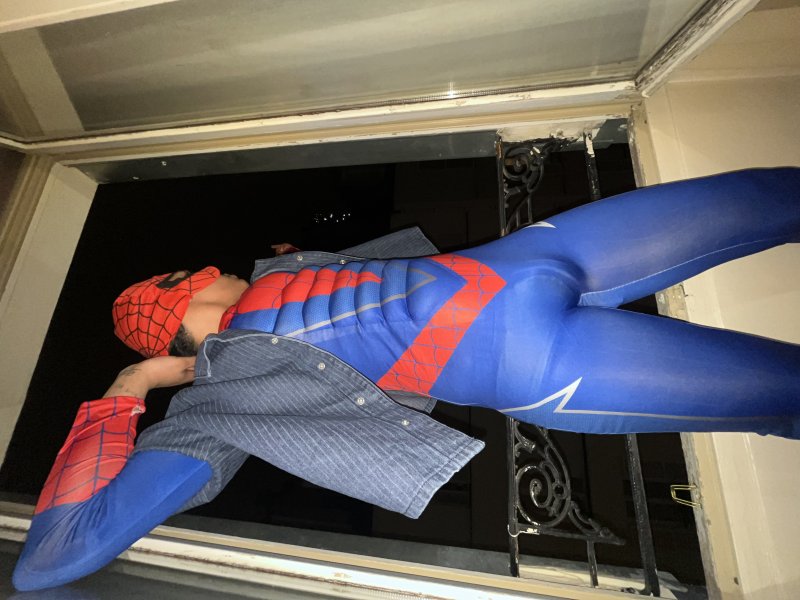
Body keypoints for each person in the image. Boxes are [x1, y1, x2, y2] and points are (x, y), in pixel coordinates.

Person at [14, 168, 800, 591]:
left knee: (766, 196)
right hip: (541, 363)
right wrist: (129, 387)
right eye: (188, 273)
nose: (210, 267)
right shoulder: (217, 407)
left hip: (534, 258)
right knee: (785, 391)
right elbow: (52, 557)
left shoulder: (280, 270)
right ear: (173, 304)